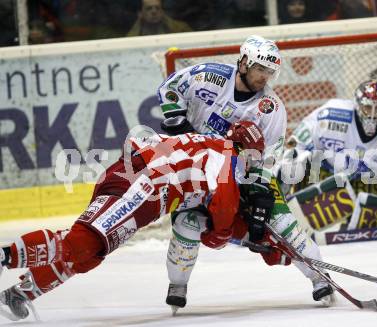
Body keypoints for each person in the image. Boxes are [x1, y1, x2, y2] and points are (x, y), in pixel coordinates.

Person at [0, 121, 265, 321]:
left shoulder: (209, 145)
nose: (252, 166)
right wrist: (220, 234)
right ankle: (4, 257)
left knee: (89, 254)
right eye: (252, 157)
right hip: (141, 187)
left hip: (136, 185)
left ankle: (19, 294)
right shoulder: (227, 156)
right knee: (81, 243)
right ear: (241, 147)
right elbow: (225, 205)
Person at [158, 35, 334, 313]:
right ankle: (177, 284)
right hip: (197, 173)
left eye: (269, 71)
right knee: (186, 225)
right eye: (259, 69)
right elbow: (170, 88)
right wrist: (176, 119)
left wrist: (259, 187)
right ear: (243, 62)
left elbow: (272, 153)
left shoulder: (271, 107)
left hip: (244, 176)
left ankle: (319, 277)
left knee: (285, 223)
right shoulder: (209, 76)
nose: (264, 77)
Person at [280, 80, 377, 240]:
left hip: (365, 181)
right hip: (325, 177)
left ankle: (355, 218)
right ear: (357, 105)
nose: (373, 114)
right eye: (367, 107)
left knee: (371, 197)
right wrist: (282, 188)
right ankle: (294, 217)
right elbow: (296, 146)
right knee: (306, 165)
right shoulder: (332, 114)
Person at [127, 0, 191, 37]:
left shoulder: (181, 29)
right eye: (149, 8)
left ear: (162, 12)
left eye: (157, 8)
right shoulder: (132, 37)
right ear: (140, 13)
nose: (154, 12)